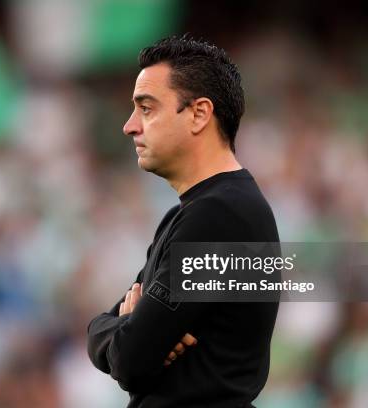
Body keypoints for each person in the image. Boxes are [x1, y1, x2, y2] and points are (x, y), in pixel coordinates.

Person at [87, 35, 280, 408]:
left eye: (147, 108)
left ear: (198, 114)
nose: (129, 126)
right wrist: (124, 328)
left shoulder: (221, 216)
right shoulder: (190, 213)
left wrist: (129, 332)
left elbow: (130, 362)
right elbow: (105, 330)